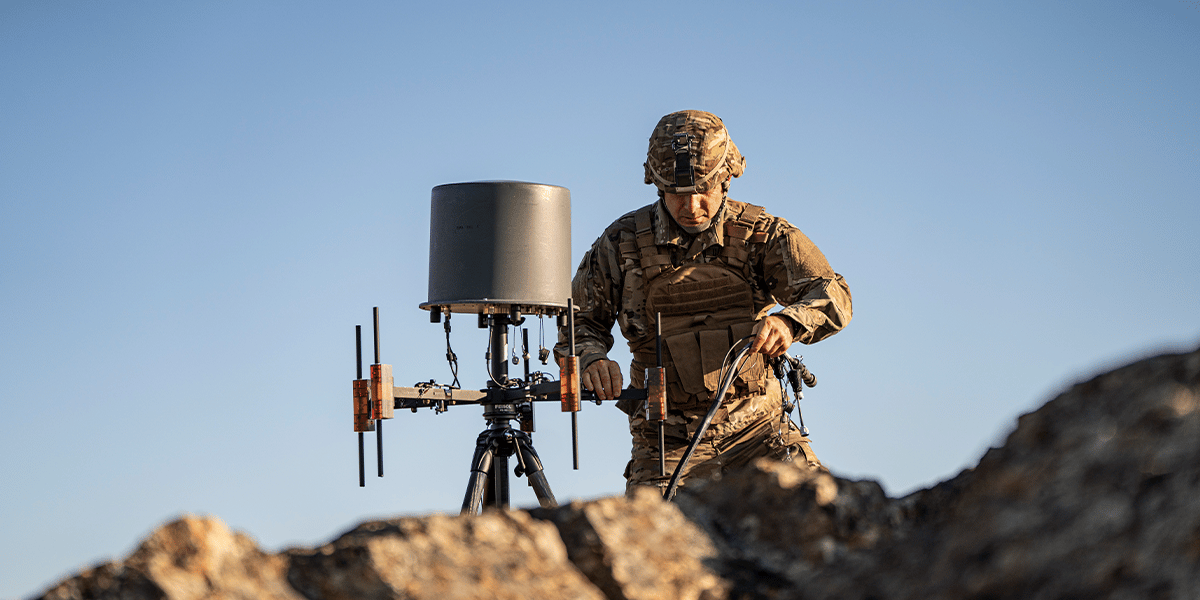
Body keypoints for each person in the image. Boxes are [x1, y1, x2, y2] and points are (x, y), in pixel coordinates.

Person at [556, 110, 852, 494]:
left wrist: (789, 323)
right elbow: (577, 323)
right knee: (652, 546)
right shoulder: (621, 243)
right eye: (677, 194)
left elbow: (833, 293)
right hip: (665, 442)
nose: (691, 205)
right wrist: (592, 360)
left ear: (726, 179)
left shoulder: (761, 235)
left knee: (824, 514)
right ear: (657, 186)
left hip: (759, 432)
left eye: (703, 190)